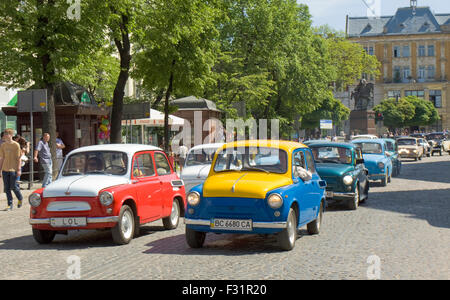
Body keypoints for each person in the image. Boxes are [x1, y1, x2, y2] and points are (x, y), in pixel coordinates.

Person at [0, 129, 24, 210]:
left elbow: (19, 158)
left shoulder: (16, 145)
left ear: (11, 135)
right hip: (5, 169)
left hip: (13, 169)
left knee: (13, 186)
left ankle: (20, 198)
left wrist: (19, 169)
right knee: (6, 188)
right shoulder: (3, 145)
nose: (5, 136)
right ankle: (9, 204)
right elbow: (2, 158)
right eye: (5, 134)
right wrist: (0, 169)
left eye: (7, 134)